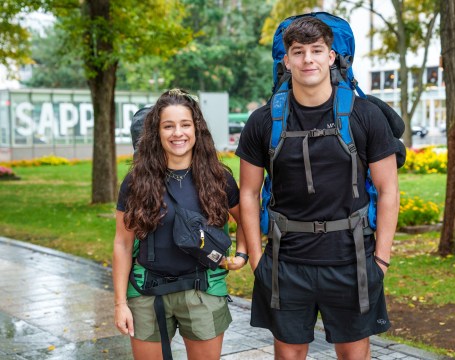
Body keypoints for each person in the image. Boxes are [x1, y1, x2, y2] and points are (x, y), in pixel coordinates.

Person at [236, 17, 399, 359]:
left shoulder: (365, 115)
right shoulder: (263, 121)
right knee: (289, 355)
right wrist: (256, 261)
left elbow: (388, 189)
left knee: (354, 355)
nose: (307, 59)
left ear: (331, 56)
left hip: (351, 260)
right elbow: (248, 194)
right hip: (286, 262)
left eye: (316, 50)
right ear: (286, 60)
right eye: (298, 52)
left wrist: (380, 260)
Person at [113, 89, 247, 360]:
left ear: (196, 129)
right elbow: (122, 243)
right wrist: (119, 304)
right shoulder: (136, 181)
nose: (178, 133)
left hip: (203, 292)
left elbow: (246, 218)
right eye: (168, 126)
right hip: (146, 293)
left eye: (185, 125)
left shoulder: (218, 177)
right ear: (157, 132)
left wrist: (242, 254)